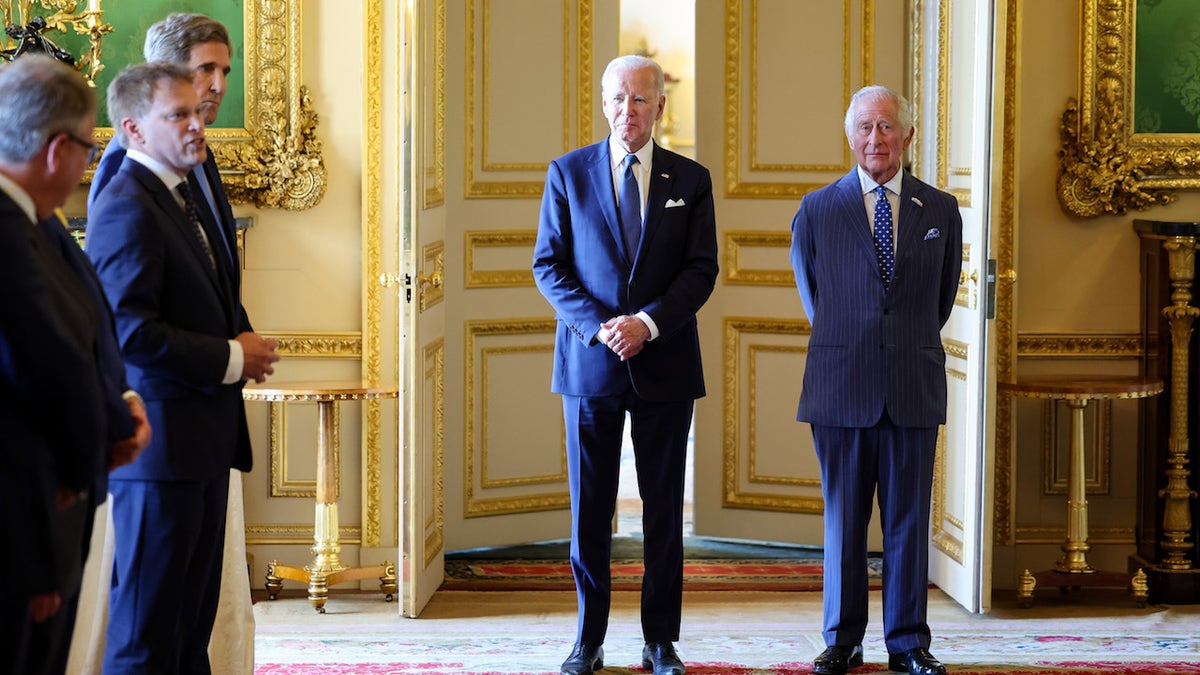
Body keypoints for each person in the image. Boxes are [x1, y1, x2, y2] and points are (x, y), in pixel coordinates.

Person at [85, 61, 279, 673]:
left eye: (199, 111)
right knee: (146, 640)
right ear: (134, 130)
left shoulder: (177, 197)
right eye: (179, 115)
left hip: (200, 449)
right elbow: (129, 332)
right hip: (159, 458)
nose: (199, 125)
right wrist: (231, 357)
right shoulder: (126, 204)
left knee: (187, 636)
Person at [532, 54, 718, 675]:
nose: (627, 111)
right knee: (590, 512)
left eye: (640, 99)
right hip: (591, 368)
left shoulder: (691, 181)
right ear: (603, 102)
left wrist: (648, 324)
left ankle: (660, 641)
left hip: (665, 365)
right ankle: (588, 640)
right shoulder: (568, 173)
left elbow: (701, 271)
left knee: (665, 510)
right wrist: (602, 328)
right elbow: (549, 266)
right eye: (617, 98)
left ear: (661, 106)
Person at [789, 85, 962, 675]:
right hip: (841, 384)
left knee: (909, 519)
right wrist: (859, 342)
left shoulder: (939, 209)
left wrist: (897, 342)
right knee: (844, 518)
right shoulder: (817, 209)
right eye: (864, 127)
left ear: (908, 136)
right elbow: (816, 299)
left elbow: (940, 301)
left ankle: (908, 643)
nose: (875, 139)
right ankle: (842, 640)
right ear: (849, 135)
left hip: (912, 381)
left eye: (887, 127)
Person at [0, 54, 149, 675]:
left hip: (44, 509)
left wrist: (119, 408)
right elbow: (45, 362)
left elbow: (85, 331)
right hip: (19, 523)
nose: (92, 162)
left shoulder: (36, 224)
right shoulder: (5, 229)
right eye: (91, 147)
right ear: (59, 148)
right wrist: (110, 438)